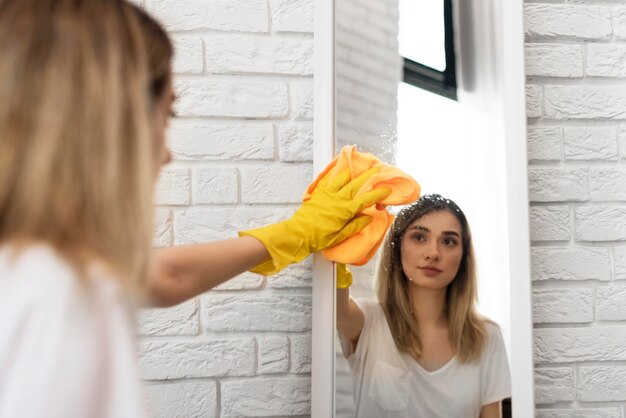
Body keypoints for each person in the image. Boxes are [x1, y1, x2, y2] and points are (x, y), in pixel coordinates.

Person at [0, 1, 390, 417]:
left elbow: (166, 275)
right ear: (110, 120)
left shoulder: (37, 266)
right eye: (166, 115)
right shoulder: (55, 296)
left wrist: (297, 232)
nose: (167, 152)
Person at [336, 194, 511, 418]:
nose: (433, 253)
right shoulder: (369, 321)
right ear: (398, 248)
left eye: (448, 241)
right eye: (419, 237)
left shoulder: (487, 337)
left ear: (463, 256)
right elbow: (334, 303)